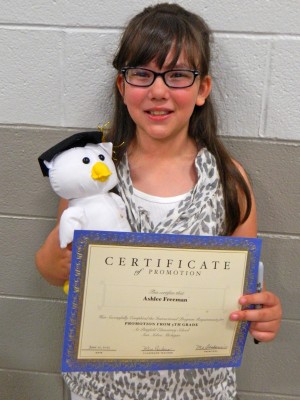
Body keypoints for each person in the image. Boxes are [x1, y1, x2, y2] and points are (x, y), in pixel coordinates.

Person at [35, 3, 282, 399]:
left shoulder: (229, 181)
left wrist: (263, 315)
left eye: (178, 75)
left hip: (198, 389)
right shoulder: (95, 171)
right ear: (122, 86)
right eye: (142, 74)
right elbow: (51, 270)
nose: (159, 90)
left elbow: (249, 289)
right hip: (103, 387)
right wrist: (59, 253)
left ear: (202, 89)